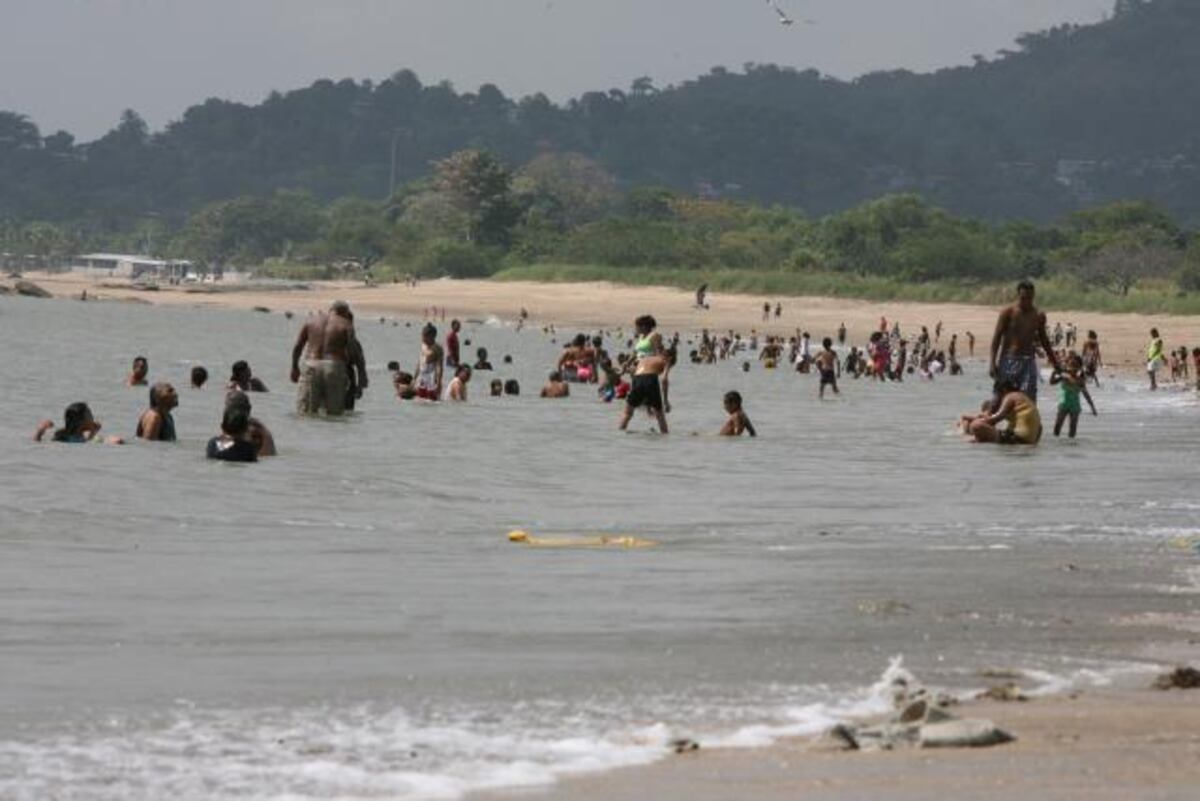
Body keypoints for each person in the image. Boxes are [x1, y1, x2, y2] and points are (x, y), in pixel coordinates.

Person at [989, 280, 1060, 402]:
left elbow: (1044, 341)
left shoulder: (1038, 315)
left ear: (1033, 296)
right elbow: (996, 339)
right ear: (1018, 295)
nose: (1026, 301)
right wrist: (992, 363)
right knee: (1000, 399)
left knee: (1029, 401)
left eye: (1030, 298)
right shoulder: (1008, 312)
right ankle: (987, 420)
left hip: (1028, 361)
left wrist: (1055, 363)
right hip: (1009, 360)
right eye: (1023, 298)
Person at [290, 300, 360, 416]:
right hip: (334, 365)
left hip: (311, 364)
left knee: (306, 413)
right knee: (334, 414)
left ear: (331, 310)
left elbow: (298, 346)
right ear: (345, 313)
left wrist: (294, 367)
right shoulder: (346, 324)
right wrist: (358, 375)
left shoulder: (311, 320)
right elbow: (353, 351)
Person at [619, 325, 670, 434]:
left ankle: (619, 433)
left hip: (637, 376)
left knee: (627, 414)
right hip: (650, 379)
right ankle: (665, 435)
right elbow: (664, 380)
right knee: (660, 415)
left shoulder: (645, 358)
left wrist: (624, 368)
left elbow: (634, 366)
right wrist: (666, 401)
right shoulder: (665, 360)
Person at [965, 380, 1042, 445]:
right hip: (1029, 440)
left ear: (1004, 390)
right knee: (979, 434)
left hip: (1017, 438)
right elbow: (1040, 427)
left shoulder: (1010, 397)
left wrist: (974, 420)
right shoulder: (1024, 398)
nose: (997, 397)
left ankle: (969, 438)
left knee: (976, 425)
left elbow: (995, 418)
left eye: (997, 393)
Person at [1050, 353, 1097, 439]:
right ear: (1068, 365)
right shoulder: (1064, 376)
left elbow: (1086, 394)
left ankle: (1071, 448)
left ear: (1079, 367)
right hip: (1063, 405)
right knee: (1057, 427)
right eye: (1071, 364)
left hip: (1075, 406)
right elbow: (1052, 382)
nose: (1072, 368)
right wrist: (1053, 373)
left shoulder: (1080, 379)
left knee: (1072, 430)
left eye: (1075, 365)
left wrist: (1092, 407)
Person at [35, 402, 122, 444]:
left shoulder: (60, 434)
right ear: (82, 422)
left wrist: (40, 431)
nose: (93, 418)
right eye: (90, 415)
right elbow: (117, 441)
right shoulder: (87, 439)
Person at [225, 390, 276, 457]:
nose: (235, 412)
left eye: (238, 407)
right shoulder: (227, 427)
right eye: (230, 408)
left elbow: (267, 456)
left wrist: (266, 434)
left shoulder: (257, 430)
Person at [413, 323, 445, 400]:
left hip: (431, 378)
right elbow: (419, 363)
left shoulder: (437, 349)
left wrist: (439, 382)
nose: (422, 338)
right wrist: (414, 378)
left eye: (424, 336)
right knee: (419, 400)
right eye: (422, 335)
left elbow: (439, 367)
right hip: (421, 377)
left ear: (431, 336)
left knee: (431, 400)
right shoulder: (423, 345)